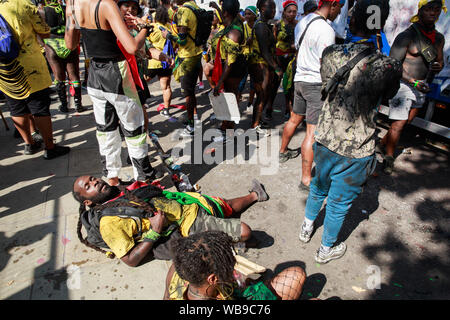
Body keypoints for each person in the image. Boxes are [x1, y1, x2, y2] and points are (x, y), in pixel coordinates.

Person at [298, 0, 402, 264]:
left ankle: (306, 229)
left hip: (324, 138)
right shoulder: (388, 66)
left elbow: (326, 83)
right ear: (380, 25)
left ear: (352, 20)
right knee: (339, 202)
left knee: (319, 187)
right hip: (357, 148)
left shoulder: (331, 52)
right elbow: (388, 96)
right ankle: (326, 250)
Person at [72, 175, 270, 267]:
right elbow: (130, 260)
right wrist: (154, 232)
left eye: (93, 178)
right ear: (88, 201)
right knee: (244, 231)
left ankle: (255, 195)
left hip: (186, 205)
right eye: (88, 186)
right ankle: (237, 243)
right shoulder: (109, 223)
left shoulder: (116, 190)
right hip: (188, 224)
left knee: (221, 204)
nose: (95, 182)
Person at [65, 0, 162, 187]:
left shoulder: (73, 5)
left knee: (105, 129)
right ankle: (143, 177)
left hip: (94, 73)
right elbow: (132, 47)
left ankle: (111, 177)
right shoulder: (106, 4)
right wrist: (145, 29)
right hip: (116, 73)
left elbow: (70, 44)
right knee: (134, 129)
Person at [278, 0, 341, 187]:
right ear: (333, 4)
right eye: (339, 9)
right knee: (312, 132)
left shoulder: (303, 22)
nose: (338, 14)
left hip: (299, 79)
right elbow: (325, 62)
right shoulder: (327, 30)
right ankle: (306, 179)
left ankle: (282, 151)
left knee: (294, 118)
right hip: (315, 84)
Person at [378, 0, 445, 174]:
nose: (433, 13)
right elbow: (393, 64)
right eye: (429, 9)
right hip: (403, 85)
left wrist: (439, 66)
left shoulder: (438, 38)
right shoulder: (407, 36)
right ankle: (388, 158)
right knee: (398, 124)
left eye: (437, 10)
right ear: (421, 11)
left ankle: (382, 143)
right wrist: (413, 82)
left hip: (422, 87)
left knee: (407, 121)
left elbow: (440, 61)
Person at [0, 0, 71, 159]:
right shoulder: (23, 4)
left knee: (16, 107)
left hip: (4, 69)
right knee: (39, 107)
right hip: (29, 65)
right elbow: (44, 32)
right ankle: (50, 147)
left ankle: (29, 144)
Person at [164, 231, 306, 300]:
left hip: (228, 291)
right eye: (227, 264)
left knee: (295, 275)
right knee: (298, 279)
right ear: (212, 279)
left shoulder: (179, 269)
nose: (232, 266)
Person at [204, 0, 246, 143]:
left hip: (232, 71)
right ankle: (226, 127)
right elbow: (224, 17)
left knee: (230, 99)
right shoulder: (231, 22)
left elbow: (230, 62)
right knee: (227, 98)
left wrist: (219, 82)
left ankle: (228, 131)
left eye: (222, 10)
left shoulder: (234, 32)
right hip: (225, 68)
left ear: (226, 12)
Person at [166, 0, 204, 137]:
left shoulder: (184, 11)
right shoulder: (195, 7)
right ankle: (194, 118)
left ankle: (191, 127)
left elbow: (181, 40)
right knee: (191, 92)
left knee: (188, 94)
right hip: (196, 53)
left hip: (187, 56)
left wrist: (168, 35)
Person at [42, 0, 85, 114]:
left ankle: (64, 106)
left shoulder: (42, 11)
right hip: (69, 43)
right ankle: (78, 104)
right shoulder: (67, 9)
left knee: (58, 76)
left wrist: (43, 45)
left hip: (52, 45)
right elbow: (76, 25)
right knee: (74, 75)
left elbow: (38, 31)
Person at [247, 0, 282, 137]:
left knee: (263, 95)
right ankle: (254, 126)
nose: (273, 10)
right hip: (260, 65)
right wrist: (276, 67)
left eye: (274, 8)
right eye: (271, 8)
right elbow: (264, 51)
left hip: (264, 65)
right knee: (261, 96)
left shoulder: (265, 25)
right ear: (262, 8)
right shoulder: (260, 26)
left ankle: (258, 122)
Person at [265, 0, 298, 122]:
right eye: (290, 11)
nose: (292, 14)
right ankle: (269, 108)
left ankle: (288, 110)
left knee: (289, 86)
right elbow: (273, 43)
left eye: (294, 12)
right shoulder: (277, 25)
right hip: (278, 59)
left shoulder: (298, 25)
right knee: (274, 85)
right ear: (284, 12)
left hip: (291, 58)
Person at [147, 5, 175, 118]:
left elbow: (146, 44)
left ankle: (142, 105)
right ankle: (166, 110)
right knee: (166, 87)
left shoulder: (152, 27)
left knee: (142, 83)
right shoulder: (170, 28)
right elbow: (175, 44)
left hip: (153, 61)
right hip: (166, 62)